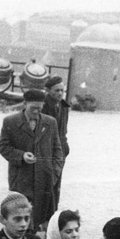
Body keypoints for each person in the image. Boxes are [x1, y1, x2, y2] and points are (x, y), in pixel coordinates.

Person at [0, 89, 65, 231]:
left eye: (39, 108)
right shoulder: (11, 121)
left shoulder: (50, 122)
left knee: (42, 219)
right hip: (21, 180)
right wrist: (21, 156)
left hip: (45, 180)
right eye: (33, 108)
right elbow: (3, 146)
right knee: (21, 220)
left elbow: (58, 152)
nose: (36, 112)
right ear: (24, 103)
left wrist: (53, 175)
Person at [42, 76, 71, 205]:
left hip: (61, 150)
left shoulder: (64, 106)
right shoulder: (43, 106)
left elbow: (63, 129)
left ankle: (52, 214)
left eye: (62, 90)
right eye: (57, 90)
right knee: (45, 183)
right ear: (48, 91)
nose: (60, 93)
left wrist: (65, 147)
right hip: (46, 150)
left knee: (56, 184)